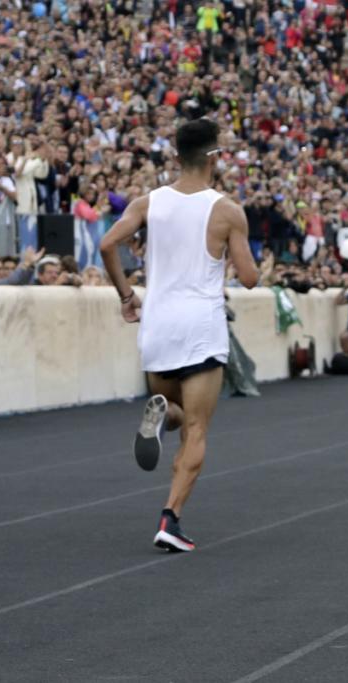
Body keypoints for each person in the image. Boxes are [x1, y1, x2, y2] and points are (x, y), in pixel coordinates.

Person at [99, 118, 258, 553]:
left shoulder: (149, 202)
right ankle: (171, 517)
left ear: (175, 157)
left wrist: (127, 295)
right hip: (200, 327)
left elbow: (107, 245)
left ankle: (160, 414)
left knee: (176, 409)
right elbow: (247, 277)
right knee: (198, 426)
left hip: (157, 324)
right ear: (215, 158)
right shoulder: (227, 210)